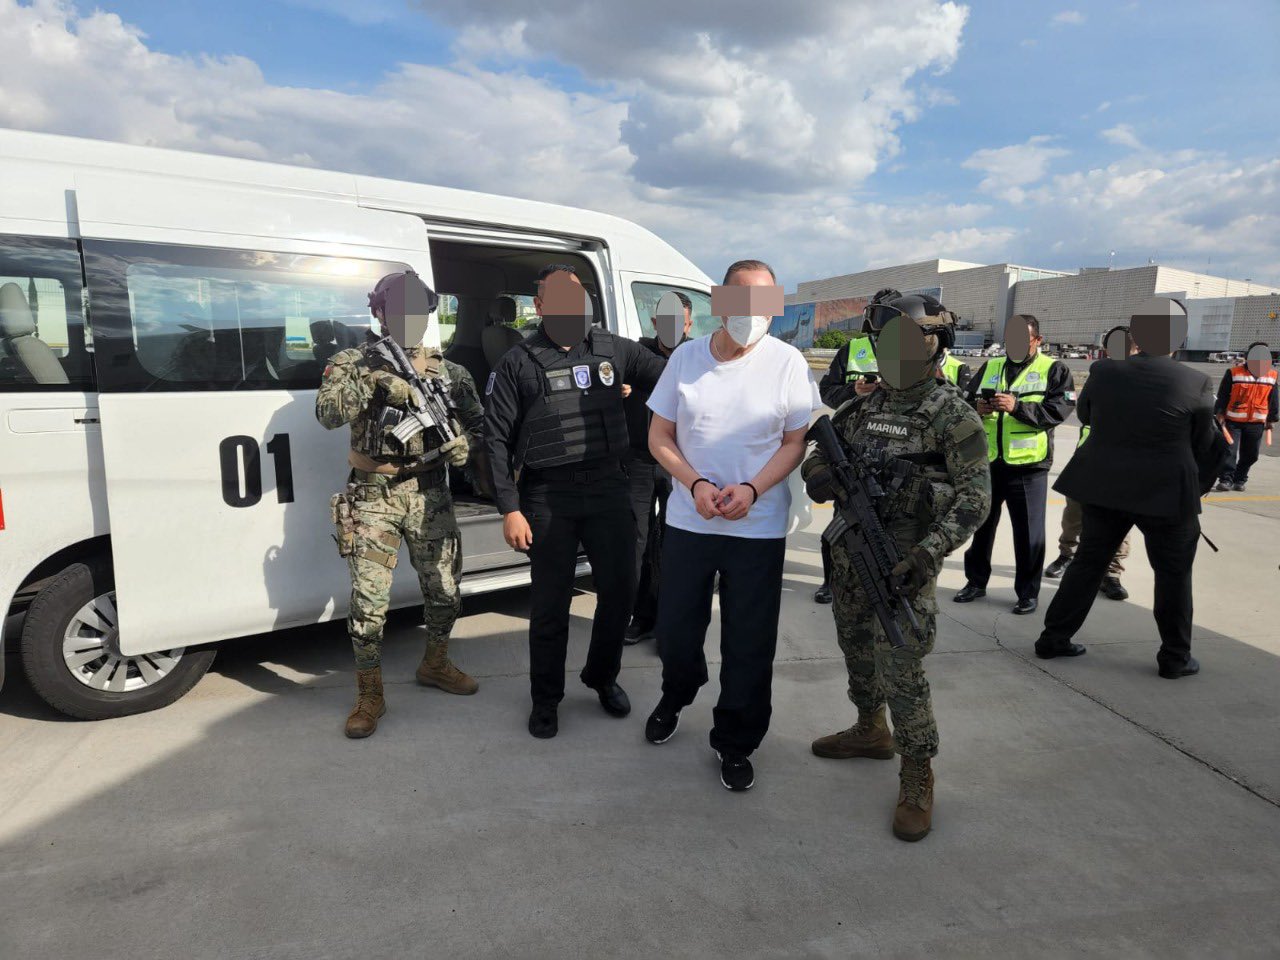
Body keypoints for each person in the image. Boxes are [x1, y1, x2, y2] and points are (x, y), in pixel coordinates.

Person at [803, 295, 990, 842]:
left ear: (935, 346)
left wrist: (928, 553)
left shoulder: (953, 415)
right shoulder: (863, 407)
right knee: (856, 648)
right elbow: (818, 451)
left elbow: (975, 500)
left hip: (904, 565)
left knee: (902, 669)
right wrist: (821, 476)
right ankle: (869, 729)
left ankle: (916, 773)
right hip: (850, 556)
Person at [642, 259, 814, 792]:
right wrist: (694, 484)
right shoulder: (686, 359)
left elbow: (794, 442)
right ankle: (678, 691)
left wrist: (753, 489)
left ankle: (736, 739)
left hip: (755, 527)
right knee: (675, 632)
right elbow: (659, 436)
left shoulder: (787, 362)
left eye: (763, 303)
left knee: (748, 643)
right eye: (741, 301)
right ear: (720, 303)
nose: (751, 314)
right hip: (689, 521)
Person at [484, 264, 667, 739]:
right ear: (540, 306)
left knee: (621, 593)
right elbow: (495, 438)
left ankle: (602, 677)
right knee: (550, 605)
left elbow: (670, 375)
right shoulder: (518, 362)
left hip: (609, 488)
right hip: (548, 496)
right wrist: (510, 508)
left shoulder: (614, 350)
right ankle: (545, 699)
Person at [316, 271, 486, 739]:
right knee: (369, 603)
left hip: (431, 493)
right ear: (379, 312)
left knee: (445, 591)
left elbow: (480, 425)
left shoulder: (449, 372)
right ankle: (370, 693)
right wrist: (375, 383)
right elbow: (327, 414)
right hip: (373, 495)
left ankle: (436, 663)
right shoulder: (351, 362)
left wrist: (466, 446)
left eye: (419, 310)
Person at [1035, 297, 1222, 678]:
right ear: (1180, 337)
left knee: (1088, 564)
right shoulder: (1196, 381)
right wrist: (1197, 485)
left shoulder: (1104, 370)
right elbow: (1205, 443)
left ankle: (1053, 638)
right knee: (1173, 576)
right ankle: (1174, 658)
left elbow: (1086, 415)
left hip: (1105, 487)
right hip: (1167, 494)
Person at [955, 314, 1072, 614]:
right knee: (982, 526)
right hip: (990, 462)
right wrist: (978, 407)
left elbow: (1058, 411)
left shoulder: (1054, 369)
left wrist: (1017, 407)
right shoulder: (991, 366)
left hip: (1028, 467)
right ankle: (975, 582)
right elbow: (964, 403)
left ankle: (1027, 593)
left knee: (1029, 534)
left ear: (1037, 340)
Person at [812, 288, 902, 604]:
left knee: (889, 527)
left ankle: (886, 584)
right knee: (843, 522)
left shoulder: (912, 350)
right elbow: (827, 392)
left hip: (896, 448)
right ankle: (830, 583)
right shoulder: (852, 350)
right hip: (853, 448)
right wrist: (855, 391)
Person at [1045, 325, 1137, 600]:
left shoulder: (1143, 379)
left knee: (1120, 518)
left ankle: (1112, 573)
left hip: (1124, 462)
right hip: (1088, 455)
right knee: (1074, 512)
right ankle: (1067, 555)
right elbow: (1083, 411)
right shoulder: (1099, 374)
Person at [623, 291, 693, 644]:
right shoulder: (634, 354)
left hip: (679, 462)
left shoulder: (698, 356)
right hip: (636, 461)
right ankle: (640, 617)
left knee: (675, 543)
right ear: (654, 322)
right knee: (636, 541)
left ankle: (669, 623)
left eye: (680, 321)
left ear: (689, 324)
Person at [1213, 342, 1277, 492]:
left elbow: (1273, 399)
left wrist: (1272, 419)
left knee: (1251, 454)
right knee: (1229, 451)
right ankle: (1226, 479)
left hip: (1257, 422)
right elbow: (1223, 394)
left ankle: (1240, 479)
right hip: (1233, 421)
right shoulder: (1234, 373)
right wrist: (1220, 412)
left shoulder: (1272, 375)